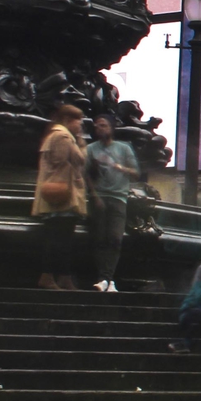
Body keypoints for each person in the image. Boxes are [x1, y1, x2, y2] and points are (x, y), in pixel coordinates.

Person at [32, 105, 88, 290]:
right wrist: (78, 144)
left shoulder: (60, 136)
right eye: (77, 121)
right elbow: (73, 161)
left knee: (62, 239)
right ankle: (49, 276)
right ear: (66, 120)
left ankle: (63, 277)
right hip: (62, 197)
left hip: (60, 197)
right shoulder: (62, 137)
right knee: (59, 239)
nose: (80, 125)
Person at [83, 112, 139, 292]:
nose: (99, 128)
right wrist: (95, 196)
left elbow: (136, 173)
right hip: (99, 198)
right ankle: (106, 279)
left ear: (111, 128)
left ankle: (106, 279)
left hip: (118, 198)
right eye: (97, 126)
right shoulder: (91, 149)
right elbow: (86, 175)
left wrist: (118, 167)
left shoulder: (123, 149)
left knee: (115, 238)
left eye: (103, 125)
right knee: (99, 238)